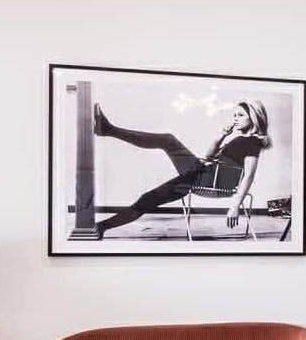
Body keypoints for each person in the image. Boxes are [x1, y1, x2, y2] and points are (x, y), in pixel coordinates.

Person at [90, 100, 271, 237]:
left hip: (205, 178)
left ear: (253, 117)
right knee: (148, 198)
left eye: (240, 115)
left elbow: (249, 175)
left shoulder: (252, 141)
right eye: (234, 115)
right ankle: (101, 228)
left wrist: (235, 205)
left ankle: (108, 130)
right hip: (201, 174)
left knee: (167, 141)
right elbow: (208, 156)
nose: (235, 119)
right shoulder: (240, 139)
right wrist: (221, 136)